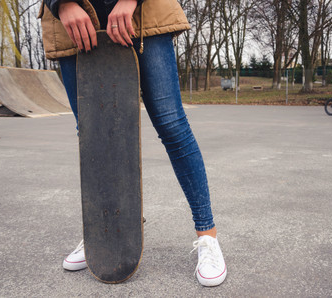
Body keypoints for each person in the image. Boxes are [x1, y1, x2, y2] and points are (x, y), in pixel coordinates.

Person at [39, 0, 226, 287]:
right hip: (74, 21)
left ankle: (207, 236)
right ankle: (109, 230)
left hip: (143, 13)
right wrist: (61, 4)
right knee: (93, 135)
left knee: (172, 125)